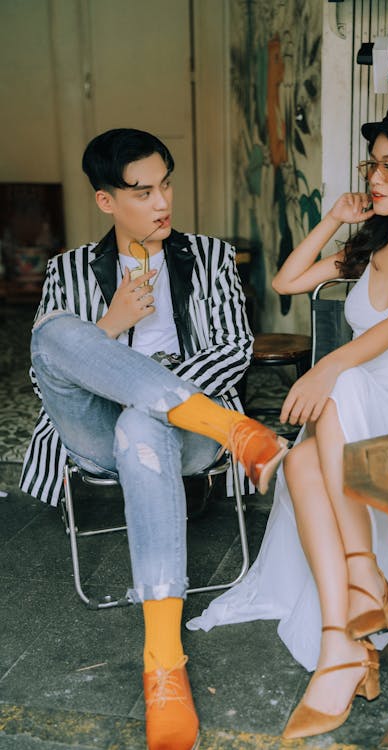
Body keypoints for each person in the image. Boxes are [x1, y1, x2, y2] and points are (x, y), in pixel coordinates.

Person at [187, 98, 388, 740]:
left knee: (343, 381)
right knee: (303, 453)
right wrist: (332, 219)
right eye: (371, 166)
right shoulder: (368, 254)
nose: (375, 179)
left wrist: (325, 369)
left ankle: (359, 586)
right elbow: (287, 280)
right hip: (349, 416)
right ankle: (342, 634)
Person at [19, 128, 288, 750]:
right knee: (55, 331)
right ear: (107, 201)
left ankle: (163, 665)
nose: (162, 202)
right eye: (142, 192)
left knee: (146, 419)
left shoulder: (212, 258)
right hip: (93, 430)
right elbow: (48, 371)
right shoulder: (70, 269)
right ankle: (237, 431)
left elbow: (231, 351)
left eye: (166, 184)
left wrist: (154, 395)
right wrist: (111, 325)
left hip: (182, 440)